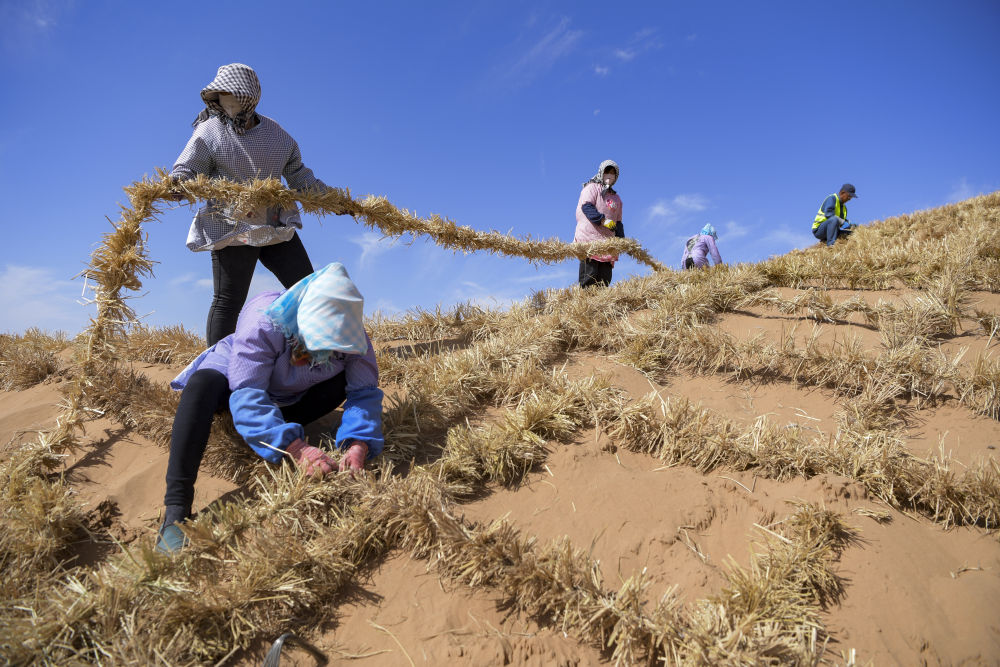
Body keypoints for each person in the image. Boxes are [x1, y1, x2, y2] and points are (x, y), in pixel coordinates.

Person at [156, 262, 384, 553]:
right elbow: (247, 393)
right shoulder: (264, 320)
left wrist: (358, 444)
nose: (324, 353)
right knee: (203, 385)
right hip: (236, 381)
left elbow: (364, 393)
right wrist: (295, 448)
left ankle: (274, 429)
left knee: (341, 384)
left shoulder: (352, 335)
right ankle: (176, 511)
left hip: (290, 395)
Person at [169, 63, 343, 346]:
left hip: (274, 224)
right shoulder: (210, 130)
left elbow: (301, 177)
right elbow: (187, 167)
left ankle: (325, 349)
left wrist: (333, 200)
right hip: (232, 227)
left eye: (231, 96)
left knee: (307, 289)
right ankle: (217, 364)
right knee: (228, 301)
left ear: (249, 97)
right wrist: (179, 184)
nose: (225, 102)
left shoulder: (277, 135)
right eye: (220, 96)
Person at [574, 160, 624, 287]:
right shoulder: (592, 188)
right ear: (602, 172)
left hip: (607, 244)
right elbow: (586, 207)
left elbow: (618, 222)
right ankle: (585, 299)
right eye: (607, 172)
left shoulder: (616, 199)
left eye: (613, 173)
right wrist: (603, 221)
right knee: (589, 277)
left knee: (604, 280)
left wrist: (622, 241)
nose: (610, 175)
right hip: (590, 240)